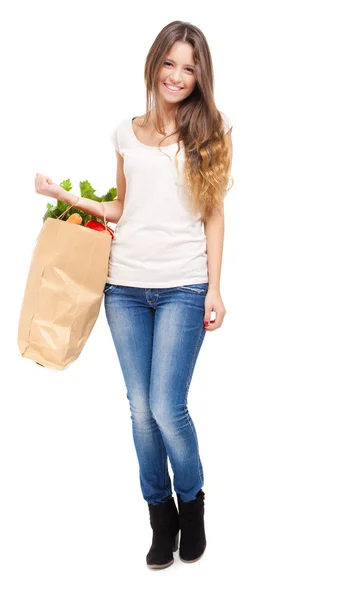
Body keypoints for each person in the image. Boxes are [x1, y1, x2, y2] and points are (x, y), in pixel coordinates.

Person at [34, 20, 233, 570]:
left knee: (168, 406)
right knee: (139, 410)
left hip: (184, 287)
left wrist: (216, 286)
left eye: (190, 68)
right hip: (124, 288)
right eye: (170, 63)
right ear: (154, 64)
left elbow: (214, 214)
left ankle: (191, 503)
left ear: (200, 76)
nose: (177, 76)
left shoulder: (211, 131)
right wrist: (62, 194)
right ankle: (159, 514)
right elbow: (123, 208)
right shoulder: (124, 132)